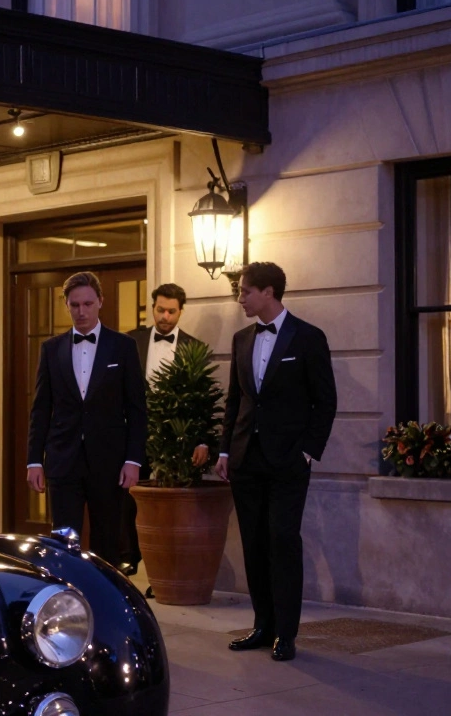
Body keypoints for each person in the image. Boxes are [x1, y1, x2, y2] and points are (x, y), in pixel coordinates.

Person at [216, 262, 337, 662]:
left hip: (288, 462)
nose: (240, 298)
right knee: (253, 544)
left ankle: (286, 634)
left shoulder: (309, 337)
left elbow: (325, 401)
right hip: (245, 460)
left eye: (245, 291)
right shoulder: (241, 339)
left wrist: (307, 451)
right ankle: (262, 626)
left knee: (283, 541)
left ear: (268, 292)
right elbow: (235, 400)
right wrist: (224, 451)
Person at [26, 271, 146, 565]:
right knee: (63, 544)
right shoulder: (51, 349)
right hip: (63, 458)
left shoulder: (123, 346)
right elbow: (41, 408)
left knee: (108, 542)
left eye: (88, 304)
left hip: (109, 460)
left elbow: (136, 408)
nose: (81, 311)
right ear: (66, 305)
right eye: (75, 305)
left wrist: (134, 459)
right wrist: (34, 460)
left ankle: (106, 594)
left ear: (100, 301)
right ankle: (66, 594)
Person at [120, 283, 210, 577]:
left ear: (181, 312)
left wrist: (201, 440)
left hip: (174, 440)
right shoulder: (131, 341)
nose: (165, 317)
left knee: (168, 506)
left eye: (171, 311)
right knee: (127, 499)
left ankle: (163, 571)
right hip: (134, 434)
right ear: (153, 308)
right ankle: (127, 559)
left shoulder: (194, 347)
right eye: (160, 310)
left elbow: (200, 400)